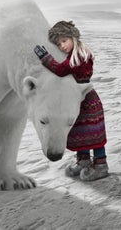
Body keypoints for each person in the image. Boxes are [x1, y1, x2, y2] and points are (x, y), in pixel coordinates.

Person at [34, 20, 109, 181]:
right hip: (74, 98)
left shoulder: (80, 55)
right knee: (80, 132)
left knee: (93, 132)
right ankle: (83, 161)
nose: (61, 46)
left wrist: (45, 57)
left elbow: (61, 70)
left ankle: (101, 164)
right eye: (58, 43)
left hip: (86, 97)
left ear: (73, 37)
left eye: (64, 41)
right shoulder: (74, 54)